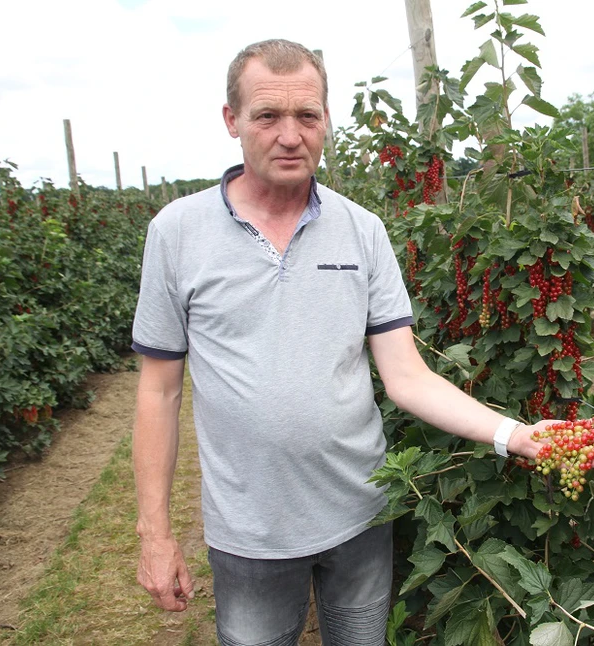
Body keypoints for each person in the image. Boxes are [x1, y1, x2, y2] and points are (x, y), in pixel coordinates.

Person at [131, 38, 550, 646]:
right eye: (267, 115)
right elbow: (158, 392)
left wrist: (514, 435)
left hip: (361, 516)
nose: (290, 135)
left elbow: (406, 376)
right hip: (250, 533)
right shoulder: (177, 232)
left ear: (326, 121)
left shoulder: (363, 230)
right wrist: (156, 533)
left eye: (307, 115)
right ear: (232, 121)